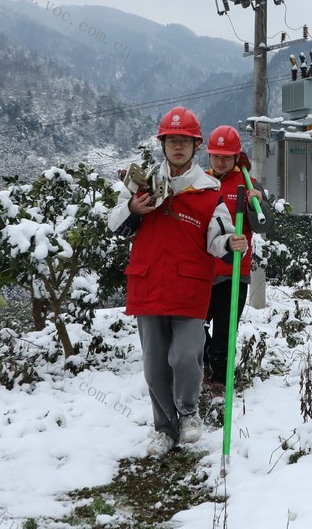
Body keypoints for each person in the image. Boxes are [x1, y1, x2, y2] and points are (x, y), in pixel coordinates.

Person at [107, 107, 248, 456]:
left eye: (185, 141)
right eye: (172, 141)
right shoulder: (142, 185)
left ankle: (187, 413)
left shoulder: (207, 190)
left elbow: (217, 238)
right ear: (163, 144)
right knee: (154, 364)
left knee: (185, 355)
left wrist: (230, 244)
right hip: (149, 282)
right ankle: (164, 429)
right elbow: (114, 223)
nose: (178, 147)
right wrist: (134, 210)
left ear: (196, 146)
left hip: (189, 286)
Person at [202, 125, 272, 392]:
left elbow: (263, 225)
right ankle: (205, 363)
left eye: (226, 157)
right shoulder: (201, 182)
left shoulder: (248, 185)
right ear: (208, 156)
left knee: (224, 330)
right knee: (194, 326)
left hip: (234, 270)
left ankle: (219, 379)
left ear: (235, 158)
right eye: (216, 156)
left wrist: (259, 202)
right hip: (203, 268)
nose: (220, 161)